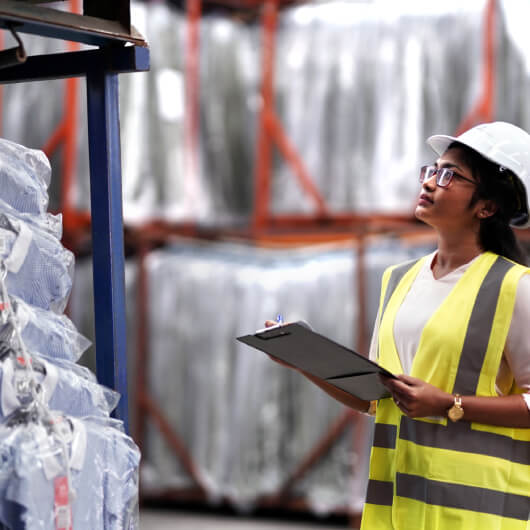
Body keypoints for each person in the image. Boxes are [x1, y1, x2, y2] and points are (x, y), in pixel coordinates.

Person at [266, 121, 530, 529]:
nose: (430, 182)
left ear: (488, 206)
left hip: (475, 515)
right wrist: (302, 358)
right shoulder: (398, 280)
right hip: (397, 509)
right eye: (432, 170)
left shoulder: (516, 288)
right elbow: (378, 400)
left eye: (450, 175)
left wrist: (449, 405)